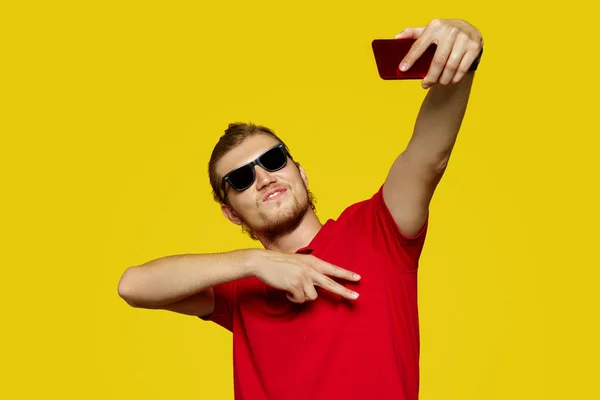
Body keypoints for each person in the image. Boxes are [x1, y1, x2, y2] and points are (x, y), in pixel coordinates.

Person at [118, 18, 483, 400]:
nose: (263, 177)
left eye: (274, 159)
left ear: (300, 172)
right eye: (241, 179)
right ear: (230, 212)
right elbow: (132, 286)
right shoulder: (241, 286)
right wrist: (252, 263)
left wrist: (463, 47)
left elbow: (429, 157)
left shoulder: (378, 231)